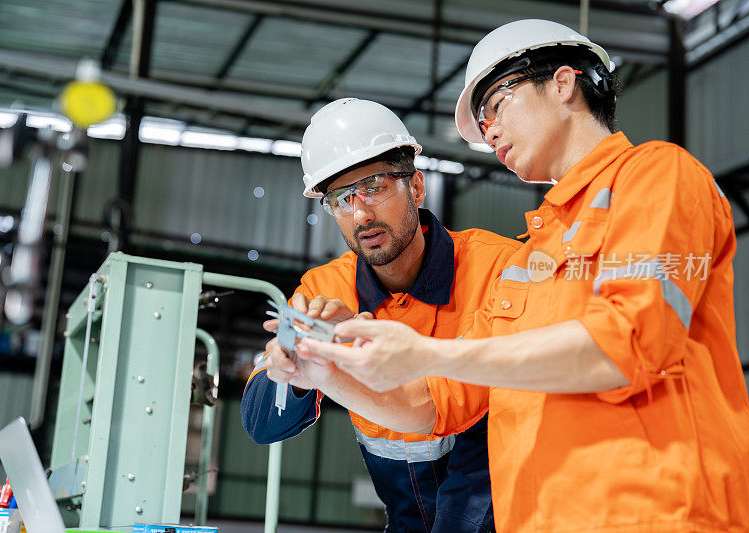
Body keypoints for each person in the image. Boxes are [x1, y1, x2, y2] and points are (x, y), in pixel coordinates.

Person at [299, 20, 749, 531]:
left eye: (495, 104)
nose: (488, 131)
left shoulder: (656, 176)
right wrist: (324, 373)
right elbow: (437, 405)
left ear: (562, 84)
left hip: (656, 514)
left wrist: (428, 352)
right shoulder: (529, 260)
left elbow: (629, 342)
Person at [241, 98, 520, 532]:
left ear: (417, 187)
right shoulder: (322, 293)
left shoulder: (499, 269)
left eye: (374, 187)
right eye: (341, 199)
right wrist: (293, 366)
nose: (361, 214)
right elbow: (262, 425)